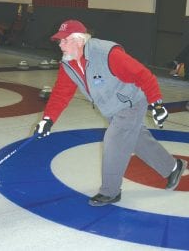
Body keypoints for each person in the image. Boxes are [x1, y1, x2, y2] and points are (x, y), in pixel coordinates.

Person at [34, 19, 188, 206]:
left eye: (64, 41)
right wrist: (48, 119)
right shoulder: (69, 63)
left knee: (114, 140)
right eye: (59, 41)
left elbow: (143, 75)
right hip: (109, 107)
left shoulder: (107, 54)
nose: (60, 45)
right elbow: (61, 93)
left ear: (79, 40)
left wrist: (156, 103)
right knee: (137, 140)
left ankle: (110, 191)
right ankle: (173, 167)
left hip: (131, 102)